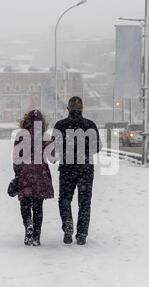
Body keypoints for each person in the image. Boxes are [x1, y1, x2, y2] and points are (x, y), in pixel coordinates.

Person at [54, 97, 101, 246]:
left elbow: (55, 146)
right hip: (85, 169)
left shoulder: (60, 125)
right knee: (85, 202)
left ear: (68, 109)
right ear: (82, 108)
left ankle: (67, 223)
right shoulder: (90, 125)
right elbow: (97, 148)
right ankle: (81, 234)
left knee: (65, 199)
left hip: (67, 168)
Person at [13, 110, 54, 246]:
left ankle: (28, 225)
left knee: (25, 203)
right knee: (38, 206)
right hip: (40, 174)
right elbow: (53, 157)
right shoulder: (44, 136)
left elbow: (16, 158)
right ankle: (36, 236)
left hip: (25, 173)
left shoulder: (21, 135)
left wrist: (17, 174)